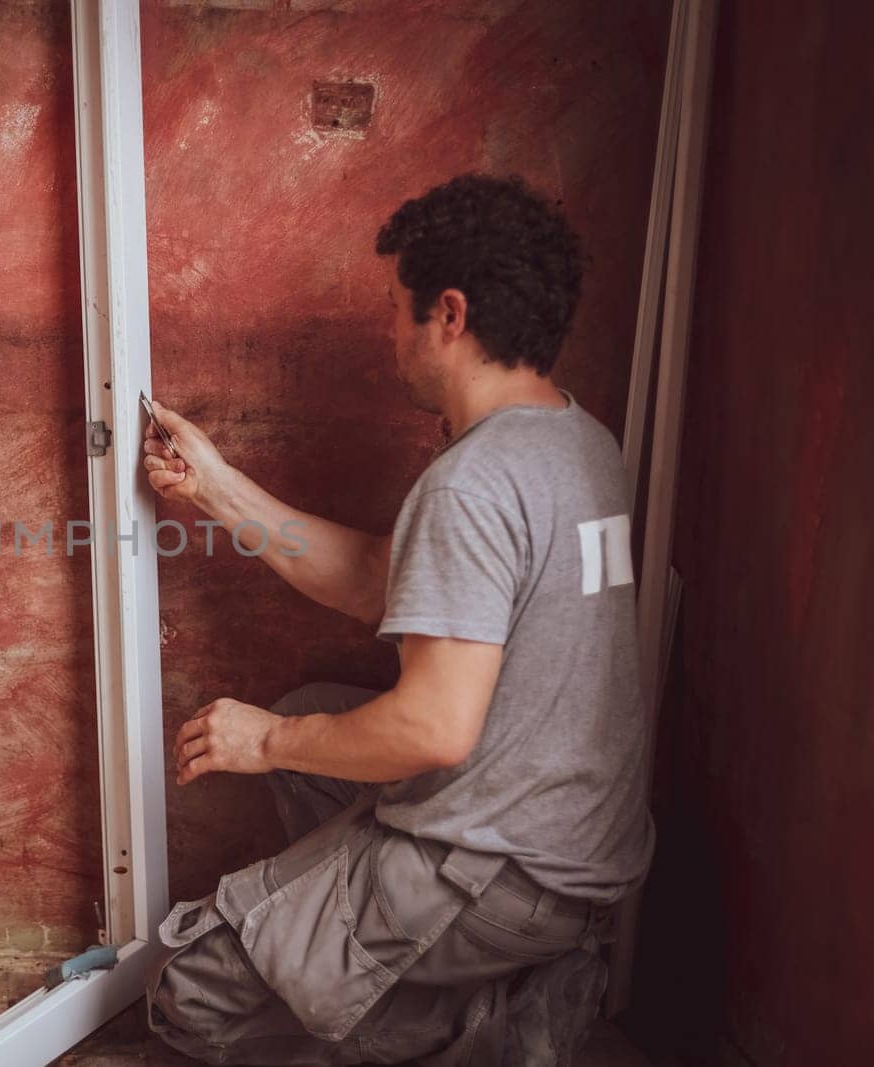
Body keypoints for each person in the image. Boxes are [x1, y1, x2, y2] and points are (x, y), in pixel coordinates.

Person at [139, 174, 654, 1065]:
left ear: (447, 316)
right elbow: (383, 580)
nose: (388, 332)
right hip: (576, 851)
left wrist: (265, 739)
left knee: (189, 990)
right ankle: (474, 970)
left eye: (393, 308)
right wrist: (212, 484)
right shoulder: (578, 439)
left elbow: (432, 727)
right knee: (316, 726)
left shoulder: (472, 483)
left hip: (499, 869)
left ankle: (491, 1031)